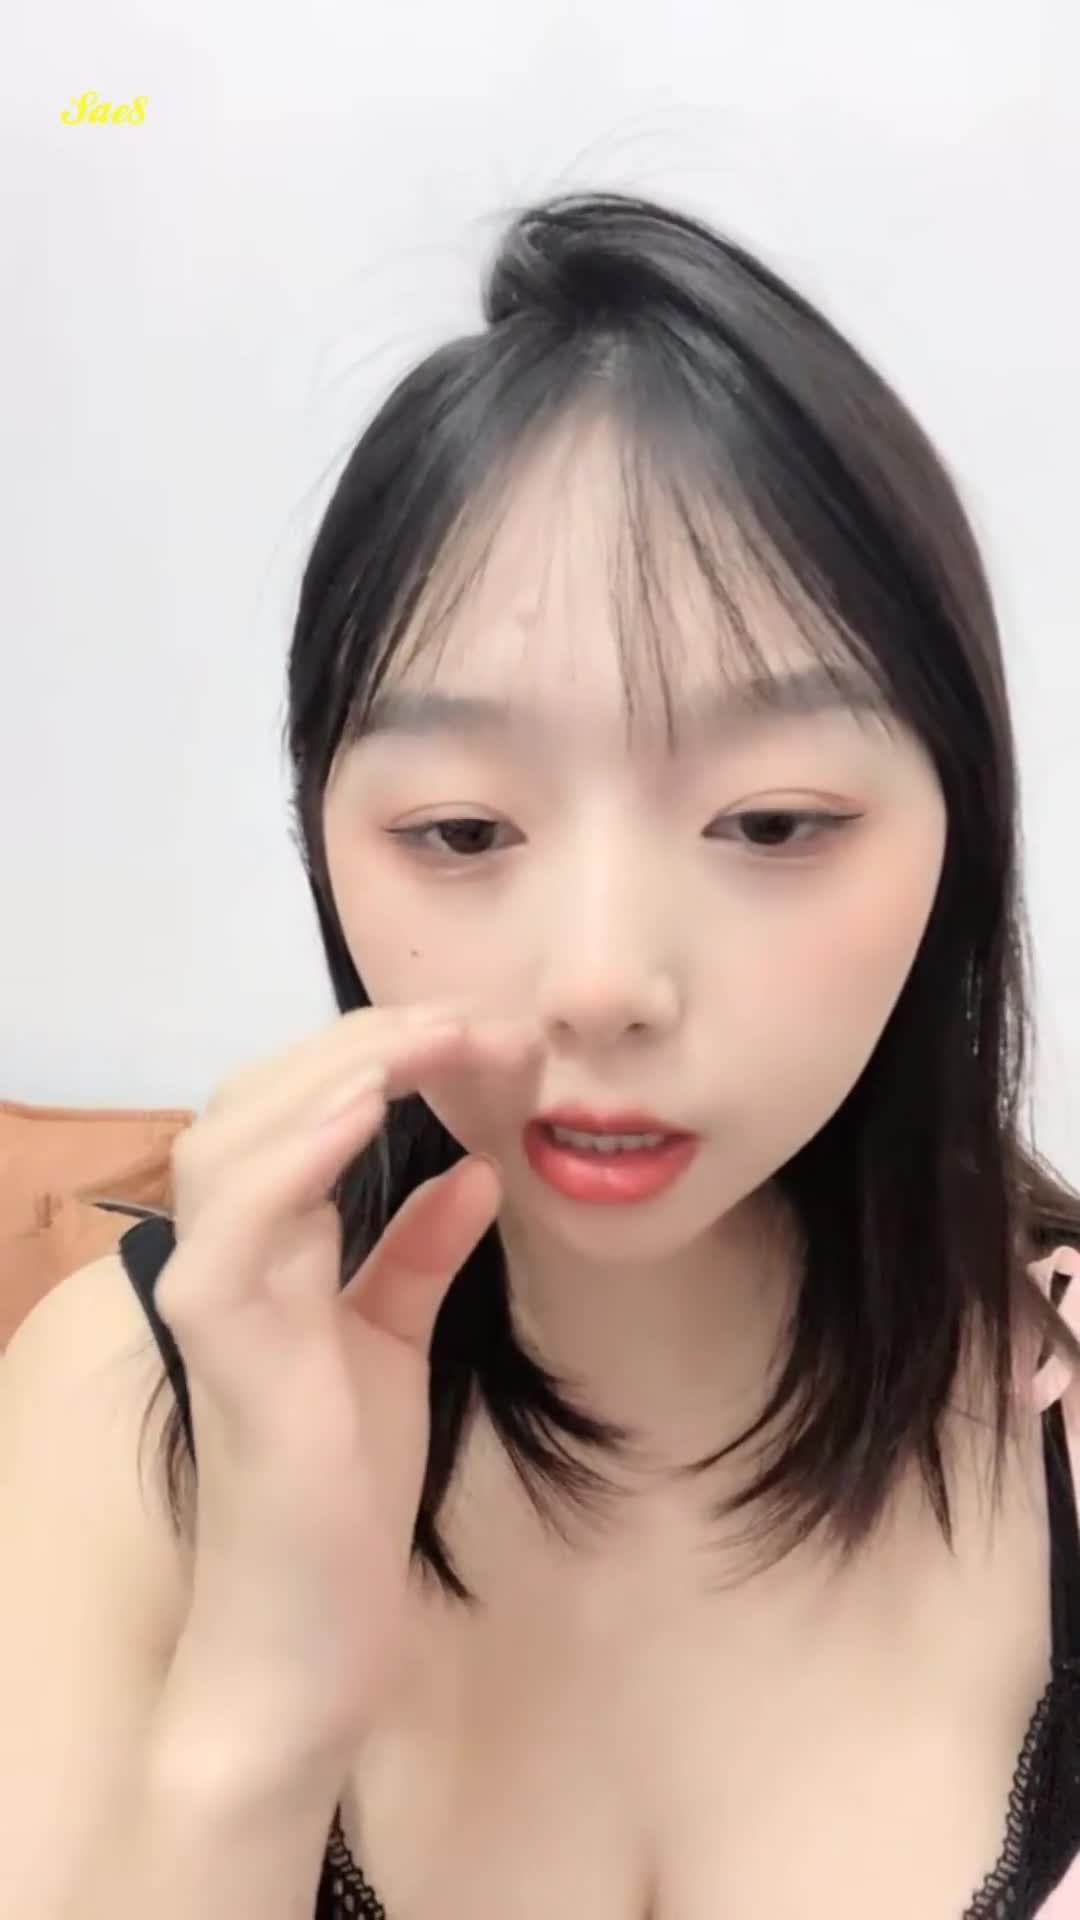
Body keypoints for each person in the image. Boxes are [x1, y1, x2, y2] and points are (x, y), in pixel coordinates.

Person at [3, 190, 1080, 1920]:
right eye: (460, 830)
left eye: (772, 820)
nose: (601, 983)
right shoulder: (120, 1402)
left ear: (958, 831)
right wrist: (260, 1713)